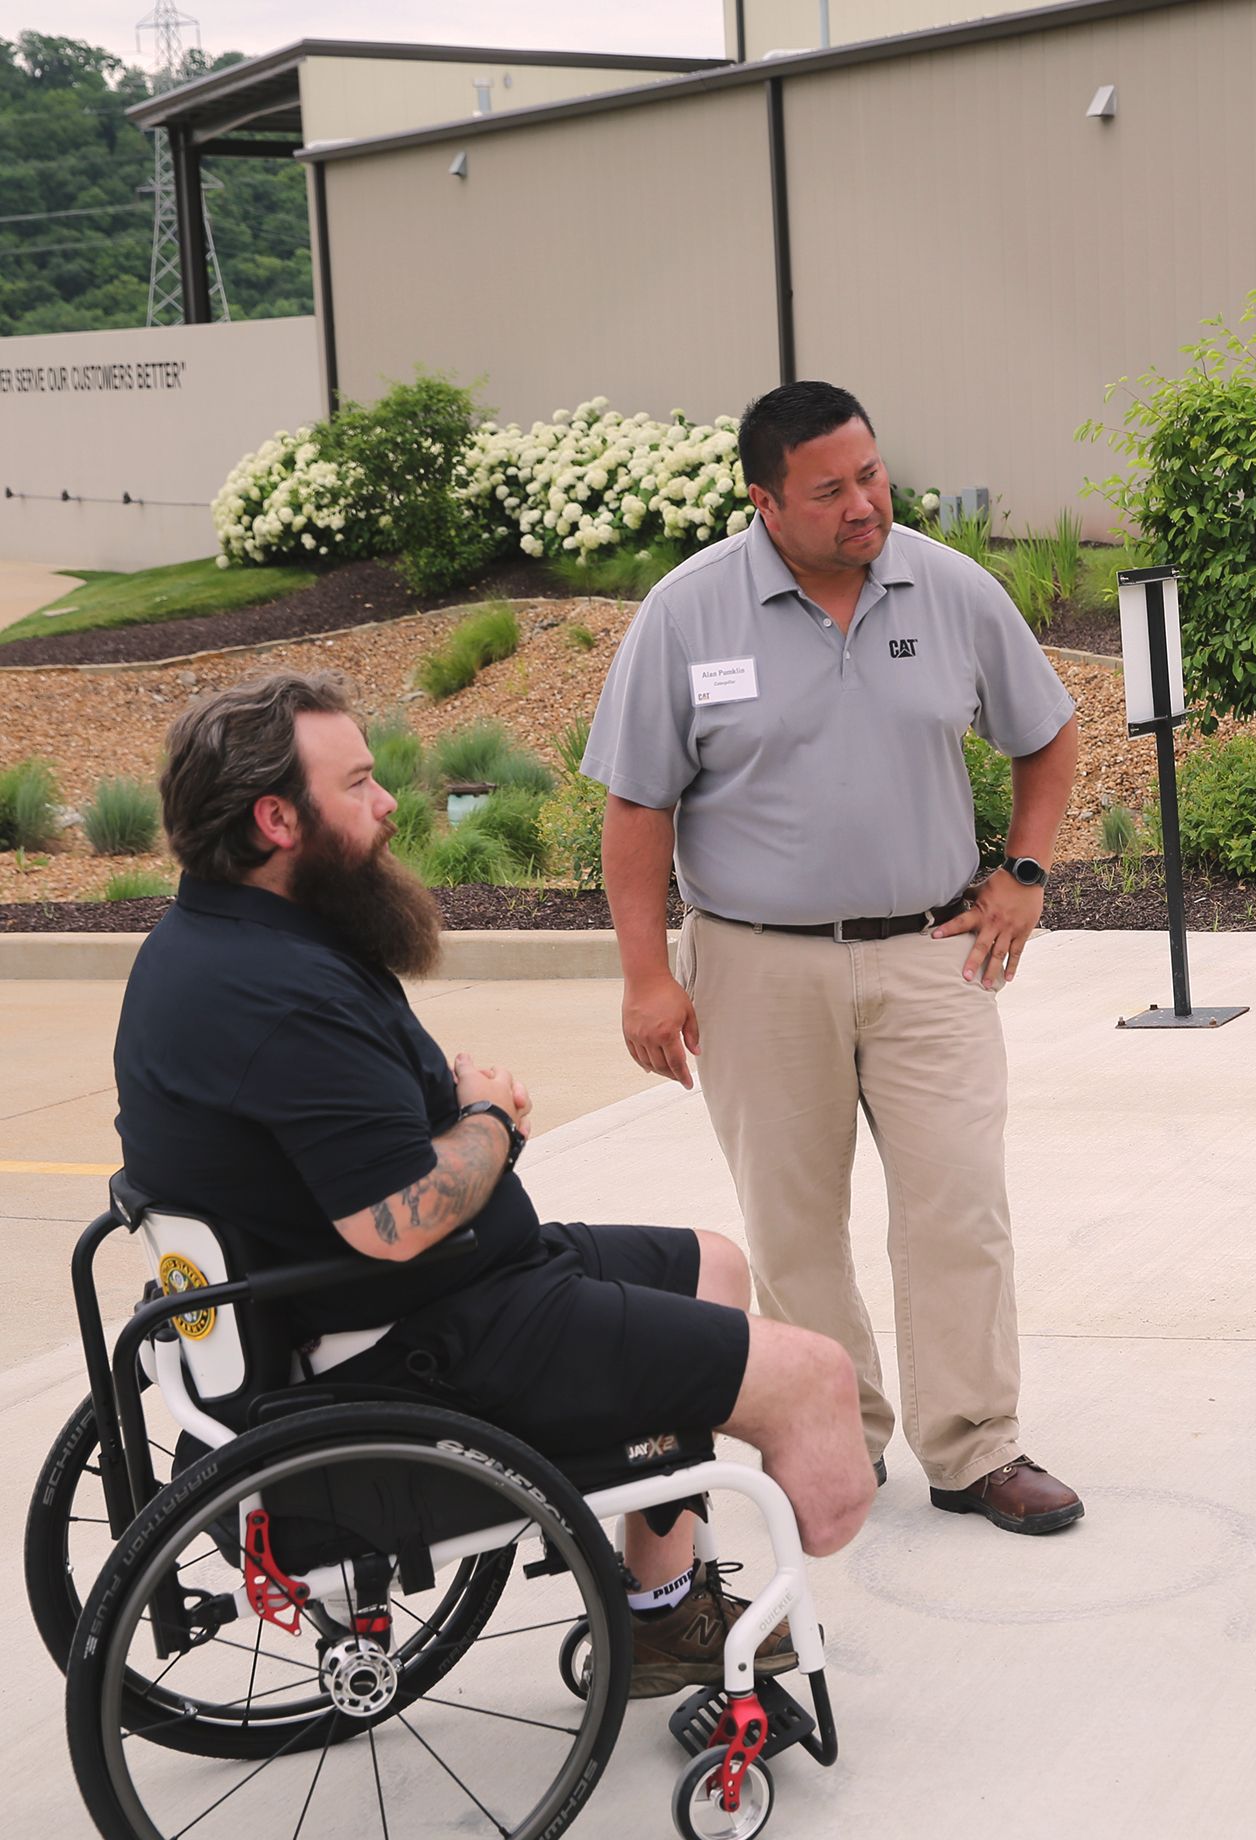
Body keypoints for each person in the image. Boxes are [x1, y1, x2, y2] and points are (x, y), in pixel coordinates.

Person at [114, 672, 878, 1698]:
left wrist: (439, 1100)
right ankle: (704, 1545)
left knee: (714, 1267)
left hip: (421, 1292)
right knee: (817, 1388)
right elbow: (396, 1222)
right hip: (423, 1336)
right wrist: (490, 1121)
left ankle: (661, 1614)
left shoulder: (214, 945)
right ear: (276, 818)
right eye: (361, 784)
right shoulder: (276, 998)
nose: (390, 805)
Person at [581, 381, 1086, 1535]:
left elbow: (1048, 733)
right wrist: (647, 974)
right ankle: (836, 1440)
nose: (866, 504)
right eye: (831, 489)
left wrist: (1025, 874)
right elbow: (636, 810)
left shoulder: (948, 586)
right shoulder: (687, 613)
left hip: (928, 958)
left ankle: (975, 1446)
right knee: (794, 1223)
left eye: (872, 475)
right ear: (764, 501)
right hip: (755, 967)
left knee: (960, 1202)